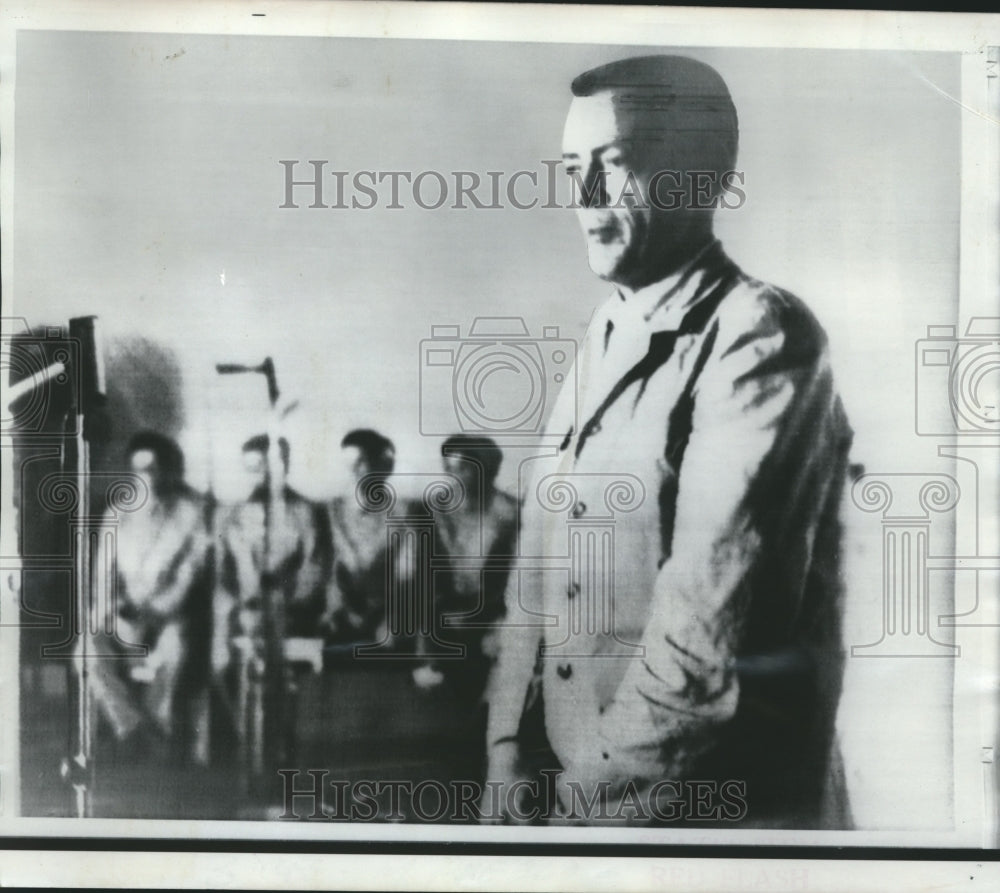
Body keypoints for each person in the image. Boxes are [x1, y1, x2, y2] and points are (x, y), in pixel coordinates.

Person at [484, 55, 854, 828]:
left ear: (701, 176)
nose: (585, 199)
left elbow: (702, 643)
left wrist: (579, 820)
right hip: (592, 806)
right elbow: (538, 564)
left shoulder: (758, 335)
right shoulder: (608, 331)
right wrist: (507, 746)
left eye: (613, 166)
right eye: (571, 168)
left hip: (703, 826)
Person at [87, 431, 211, 755]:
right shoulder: (116, 514)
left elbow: (189, 575)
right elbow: (103, 576)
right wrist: (113, 611)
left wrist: (155, 611)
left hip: (169, 615)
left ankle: (159, 726)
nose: (146, 477)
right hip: (125, 615)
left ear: (168, 471)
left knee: (176, 645)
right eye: (139, 469)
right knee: (86, 650)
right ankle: (130, 727)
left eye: (153, 468)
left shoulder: (191, 513)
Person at [214, 434, 331, 672]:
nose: (257, 476)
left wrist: (281, 601)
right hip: (243, 611)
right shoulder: (231, 516)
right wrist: (239, 604)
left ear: (282, 466)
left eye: (262, 467)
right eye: (250, 469)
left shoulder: (307, 513)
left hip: (292, 612)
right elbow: (222, 574)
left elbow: (314, 569)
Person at [321, 428, 400, 654]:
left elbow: (407, 575)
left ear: (376, 463)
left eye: (360, 462)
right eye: (347, 463)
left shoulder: (401, 516)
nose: (353, 471)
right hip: (339, 616)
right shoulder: (330, 511)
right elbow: (328, 569)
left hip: (385, 617)